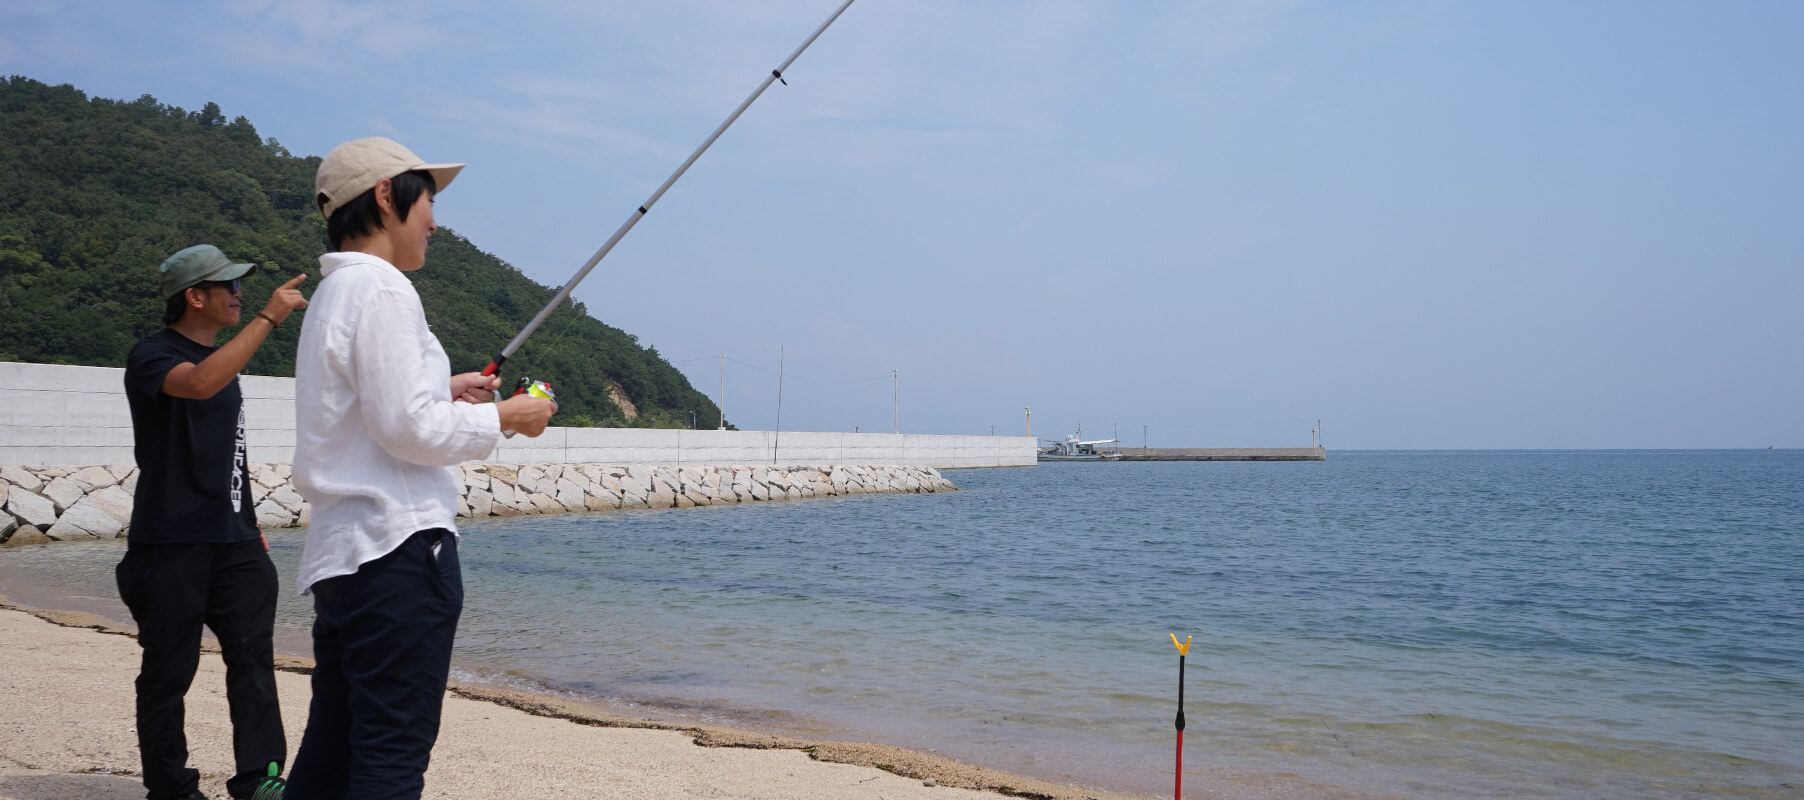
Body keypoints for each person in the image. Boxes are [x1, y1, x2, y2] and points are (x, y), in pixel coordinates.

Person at [287, 137, 557, 800]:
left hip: (346, 557)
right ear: (386, 195)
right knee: (390, 756)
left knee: (329, 757)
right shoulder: (383, 290)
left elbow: (380, 413)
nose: (435, 219)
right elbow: (408, 429)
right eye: (428, 197)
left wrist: (446, 389)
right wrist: (509, 417)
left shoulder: (334, 293)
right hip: (398, 552)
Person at [119, 244, 309, 800]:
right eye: (227, 286)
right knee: (168, 672)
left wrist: (250, 523)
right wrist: (269, 317)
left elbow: (231, 455)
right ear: (194, 296)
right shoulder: (151, 354)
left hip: (236, 542)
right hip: (169, 543)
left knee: (253, 661)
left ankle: (261, 781)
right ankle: (170, 787)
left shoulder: (224, 363)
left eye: (240, 286)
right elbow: (197, 383)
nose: (238, 294)